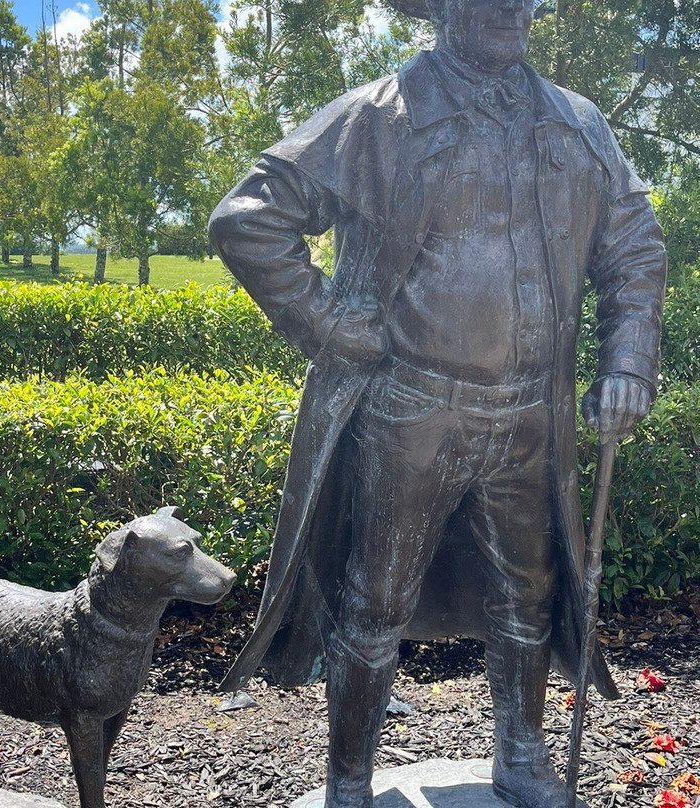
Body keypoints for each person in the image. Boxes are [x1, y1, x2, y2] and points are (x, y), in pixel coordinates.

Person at [208, 0, 666, 804]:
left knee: (529, 595)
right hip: (412, 409)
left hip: (532, 416)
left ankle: (521, 757)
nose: (512, 13)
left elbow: (633, 245)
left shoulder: (577, 121)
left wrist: (627, 361)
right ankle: (349, 781)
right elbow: (248, 219)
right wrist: (325, 322)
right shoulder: (381, 115)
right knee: (374, 600)